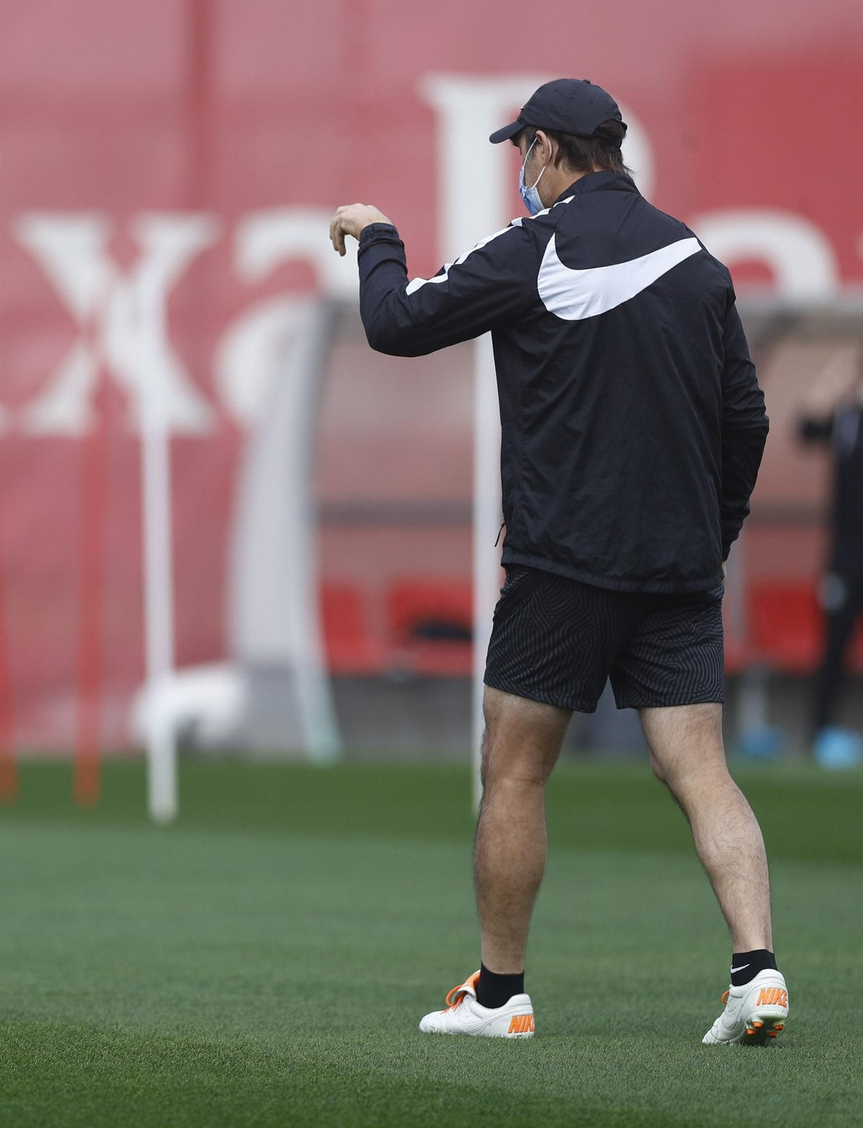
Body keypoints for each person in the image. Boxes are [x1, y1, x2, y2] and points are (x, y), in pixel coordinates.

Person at [330, 78, 783, 1044]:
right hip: (678, 567)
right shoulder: (697, 259)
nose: (517, 170)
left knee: (517, 772)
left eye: (518, 152)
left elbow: (395, 323)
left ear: (541, 149)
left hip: (563, 565)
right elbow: (746, 418)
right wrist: (718, 533)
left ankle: (501, 996)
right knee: (701, 770)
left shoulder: (533, 248)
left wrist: (378, 238)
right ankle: (758, 971)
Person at [796, 356, 863, 769]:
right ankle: (820, 734)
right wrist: (829, 385)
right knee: (833, 647)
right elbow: (804, 430)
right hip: (844, 555)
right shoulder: (845, 418)